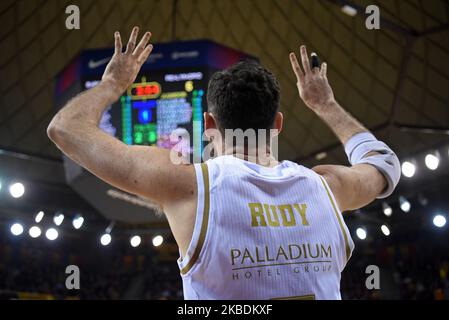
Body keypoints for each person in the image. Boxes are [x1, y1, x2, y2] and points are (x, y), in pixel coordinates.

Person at [47, 27, 401, 299]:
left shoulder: (187, 185)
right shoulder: (328, 187)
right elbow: (384, 164)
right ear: (277, 124)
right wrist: (326, 105)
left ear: (210, 125)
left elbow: (65, 128)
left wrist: (112, 84)